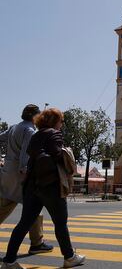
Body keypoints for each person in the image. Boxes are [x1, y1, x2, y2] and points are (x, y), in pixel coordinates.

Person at [2, 108, 85, 269]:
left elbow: (32, 155)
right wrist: (66, 154)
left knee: (24, 223)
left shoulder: (36, 134)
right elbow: (55, 155)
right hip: (51, 186)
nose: (62, 124)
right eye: (61, 120)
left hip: (32, 186)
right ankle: (69, 257)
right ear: (54, 121)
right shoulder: (54, 134)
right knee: (60, 223)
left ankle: (9, 261)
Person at [0, 105, 53, 260]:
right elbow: (26, 154)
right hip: (20, 176)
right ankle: (36, 243)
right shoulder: (29, 131)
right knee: (35, 208)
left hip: (7, 174)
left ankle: (37, 242)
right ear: (33, 116)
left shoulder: (14, 127)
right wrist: (25, 171)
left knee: (4, 207)